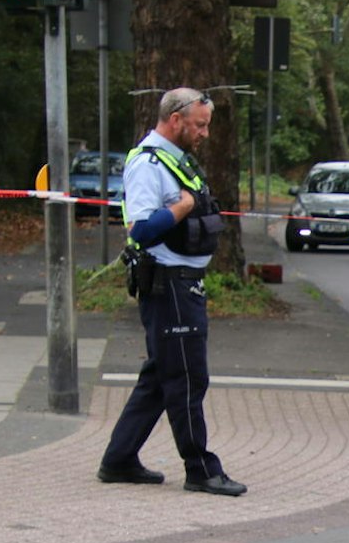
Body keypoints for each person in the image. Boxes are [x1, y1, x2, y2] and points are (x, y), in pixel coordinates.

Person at [97, 87, 246, 497]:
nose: (205, 134)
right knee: (185, 378)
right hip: (168, 284)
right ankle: (201, 469)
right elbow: (140, 229)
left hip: (183, 284)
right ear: (176, 119)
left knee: (161, 378)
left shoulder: (174, 160)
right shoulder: (148, 164)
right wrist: (181, 207)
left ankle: (119, 459)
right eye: (200, 125)